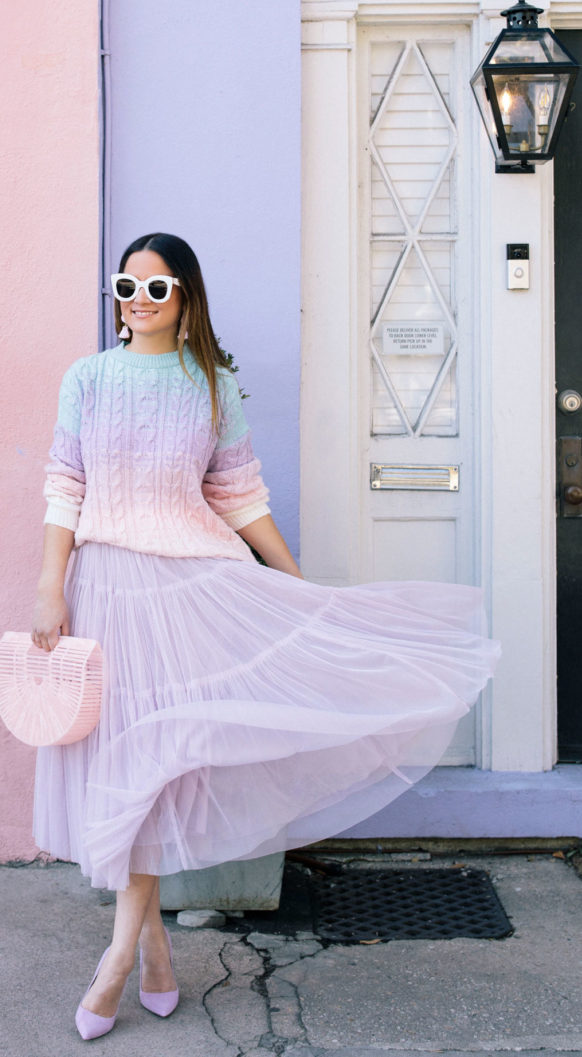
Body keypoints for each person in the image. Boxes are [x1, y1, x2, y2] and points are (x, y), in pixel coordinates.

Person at [30, 233, 500, 1040]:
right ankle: (153, 955)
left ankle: (115, 963)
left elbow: (239, 495)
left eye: (156, 288)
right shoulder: (89, 379)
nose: (137, 302)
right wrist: (48, 583)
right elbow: (66, 484)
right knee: (118, 769)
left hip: (188, 594)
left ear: (187, 298)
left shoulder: (212, 386)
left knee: (156, 772)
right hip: (103, 589)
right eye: (126, 287)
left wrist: (293, 581)